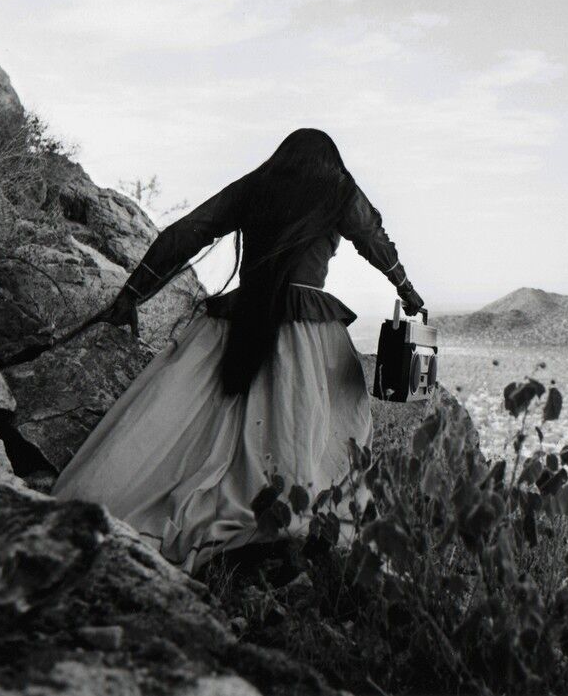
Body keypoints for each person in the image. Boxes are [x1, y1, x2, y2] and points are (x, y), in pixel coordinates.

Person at [53, 129, 424, 572]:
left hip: (240, 319)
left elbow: (189, 231)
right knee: (323, 425)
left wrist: (134, 292)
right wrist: (407, 289)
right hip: (307, 332)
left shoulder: (258, 184)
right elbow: (374, 239)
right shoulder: (338, 189)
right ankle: (293, 519)